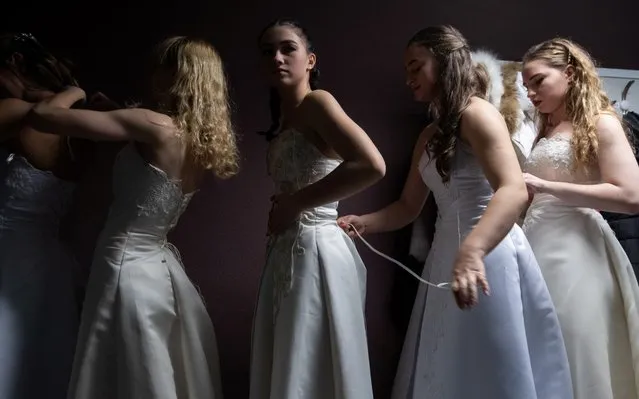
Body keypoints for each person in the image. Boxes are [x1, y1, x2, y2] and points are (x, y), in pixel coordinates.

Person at [338, 25, 573, 399]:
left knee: (489, 365)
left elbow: (512, 190)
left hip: (489, 255)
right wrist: (363, 222)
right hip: (446, 256)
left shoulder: (479, 114)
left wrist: (473, 251)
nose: (409, 78)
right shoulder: (429, 135)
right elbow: (407, 207)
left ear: (445, 62)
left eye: (416, 66)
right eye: (407, 70)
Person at [26, 36, 239, 399]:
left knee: (117, 368)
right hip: (158, 264)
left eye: (161, 65)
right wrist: (115, 111)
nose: (153, 72)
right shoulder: (199, 140)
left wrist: (72, 92)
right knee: (145, 366)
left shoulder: (149, 125)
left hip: (122, 261)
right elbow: (145, 140)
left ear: (176, 74)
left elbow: (43, 118)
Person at [249, 19, 385, 399]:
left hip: (316, 251)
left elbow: (372, 164)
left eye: (287, 48)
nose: (277, 57)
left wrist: (295, 203)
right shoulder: (287, 119)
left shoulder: (317, 103)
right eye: (267, 51)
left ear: (309, 60)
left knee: (314, 362)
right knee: (295, 361)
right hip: (287, 251)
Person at [521, 38, 639, 399]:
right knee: (537, 346)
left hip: (577, 253)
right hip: (536, 243)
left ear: (569, 73)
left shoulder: (601, 123)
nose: (530, 93)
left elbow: (631, 196)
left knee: (573, 341)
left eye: (538, 81)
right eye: (526, 87)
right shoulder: (546, 127)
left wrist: (547, 186)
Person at [0, 32, 84, 399]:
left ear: (16, 63)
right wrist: (75, 93)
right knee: (37, 366)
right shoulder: (80, 124)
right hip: (49, 263)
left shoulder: (12, 112)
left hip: (8, 253)